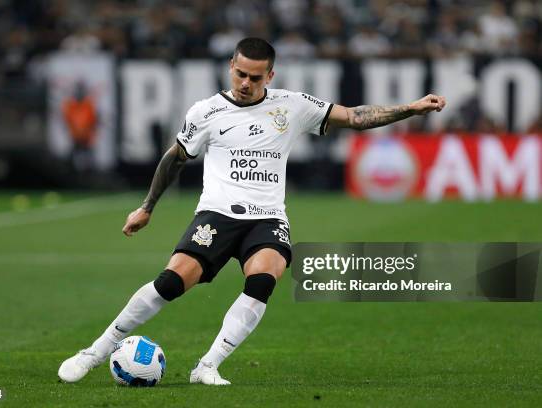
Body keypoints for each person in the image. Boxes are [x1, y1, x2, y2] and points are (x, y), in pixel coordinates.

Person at [58, 37, 446, 385]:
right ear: (231, 66)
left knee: (263, 280)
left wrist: (409, 109)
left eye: (255, 78)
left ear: (269, 75)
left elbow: (355, 117)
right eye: (240, 74)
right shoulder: (206, 112)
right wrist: (147, 208)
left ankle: (207, 366)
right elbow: (175, 158)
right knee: (171, 283)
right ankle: (94, 352)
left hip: (267, 218)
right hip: (217, 214)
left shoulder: (292, 106)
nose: (245, 83)